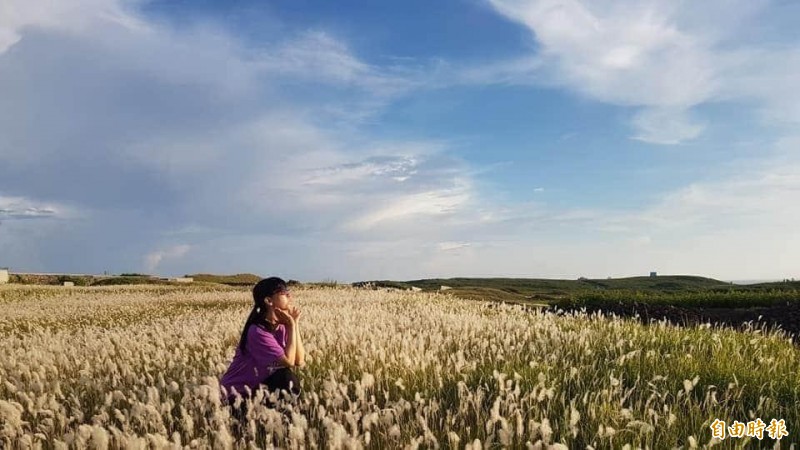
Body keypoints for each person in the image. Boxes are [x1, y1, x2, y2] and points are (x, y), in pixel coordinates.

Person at [220, 277, 306, 406]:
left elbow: (299, 361)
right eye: (284, 293)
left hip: (259, 387)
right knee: (285, 377)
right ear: (268, 301)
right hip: (237, 395)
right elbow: (289, 362)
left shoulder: (282, 325)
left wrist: (294, 324)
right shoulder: (257, 331)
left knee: (285, 378)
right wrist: (291, 326)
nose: (290, 296)